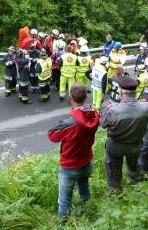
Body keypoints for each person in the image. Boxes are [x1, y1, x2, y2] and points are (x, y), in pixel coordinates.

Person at [48, 83, 100, 220]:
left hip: (70, 167)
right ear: (86, 96)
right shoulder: (93, 115)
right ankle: (89, 215)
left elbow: (52, 136)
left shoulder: (70, 123)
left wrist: (64, 123)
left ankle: (63, 225)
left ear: (70, 97)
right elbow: (92, 113)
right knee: (84, 189)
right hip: (86, 162)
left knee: (64, 202)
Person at [100, 76, 148, 192]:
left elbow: (103, 124)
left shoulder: (113, 110)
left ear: (121, 92)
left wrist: (106, 109)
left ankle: (115, 191)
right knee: (134, 166)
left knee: (113, 169)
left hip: (116, 146)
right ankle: (136, 186)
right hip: (135, 146)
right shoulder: (145, 106)